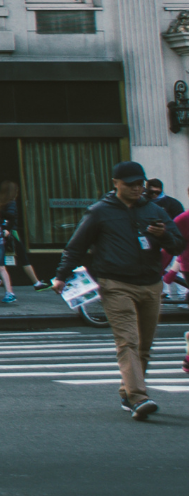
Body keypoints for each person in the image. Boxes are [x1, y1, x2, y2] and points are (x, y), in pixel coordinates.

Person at [62, 160, 181, 419]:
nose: (138, 189)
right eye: (131, 185)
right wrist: (61, 276)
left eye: (141, 184)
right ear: (116, 183)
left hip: (150, 284)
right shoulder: (99, 212)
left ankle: (128, 393)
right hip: (115, 284)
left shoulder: (154, 210)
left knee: (144, 347)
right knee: (128, 341)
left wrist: (163, 236)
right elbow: (76, 247)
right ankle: (139, 397)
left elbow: (178, 246)